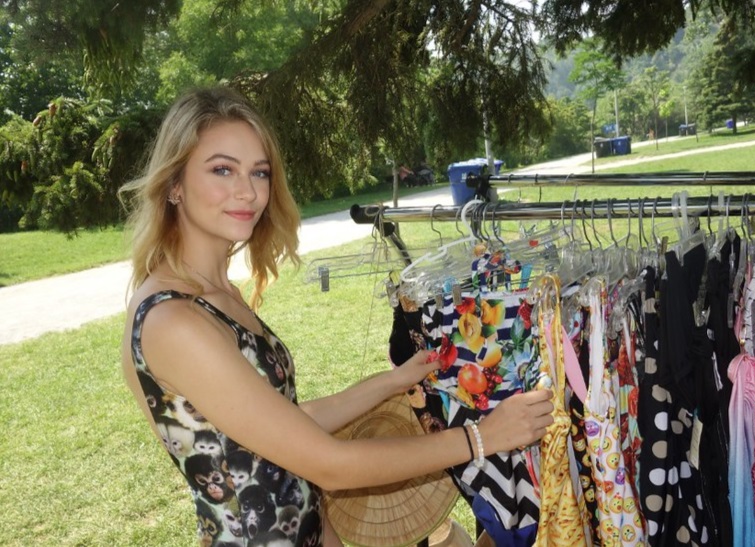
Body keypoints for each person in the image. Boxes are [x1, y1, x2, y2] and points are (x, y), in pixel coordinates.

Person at [118, 86, 555, 546]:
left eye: (259, 172)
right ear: (173, 184)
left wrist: (391, 381)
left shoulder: (216, 291)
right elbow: (329, 464)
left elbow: (281, 423)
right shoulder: (174, 320)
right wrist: (482, 437)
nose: (247, 191)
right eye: (222, 169)